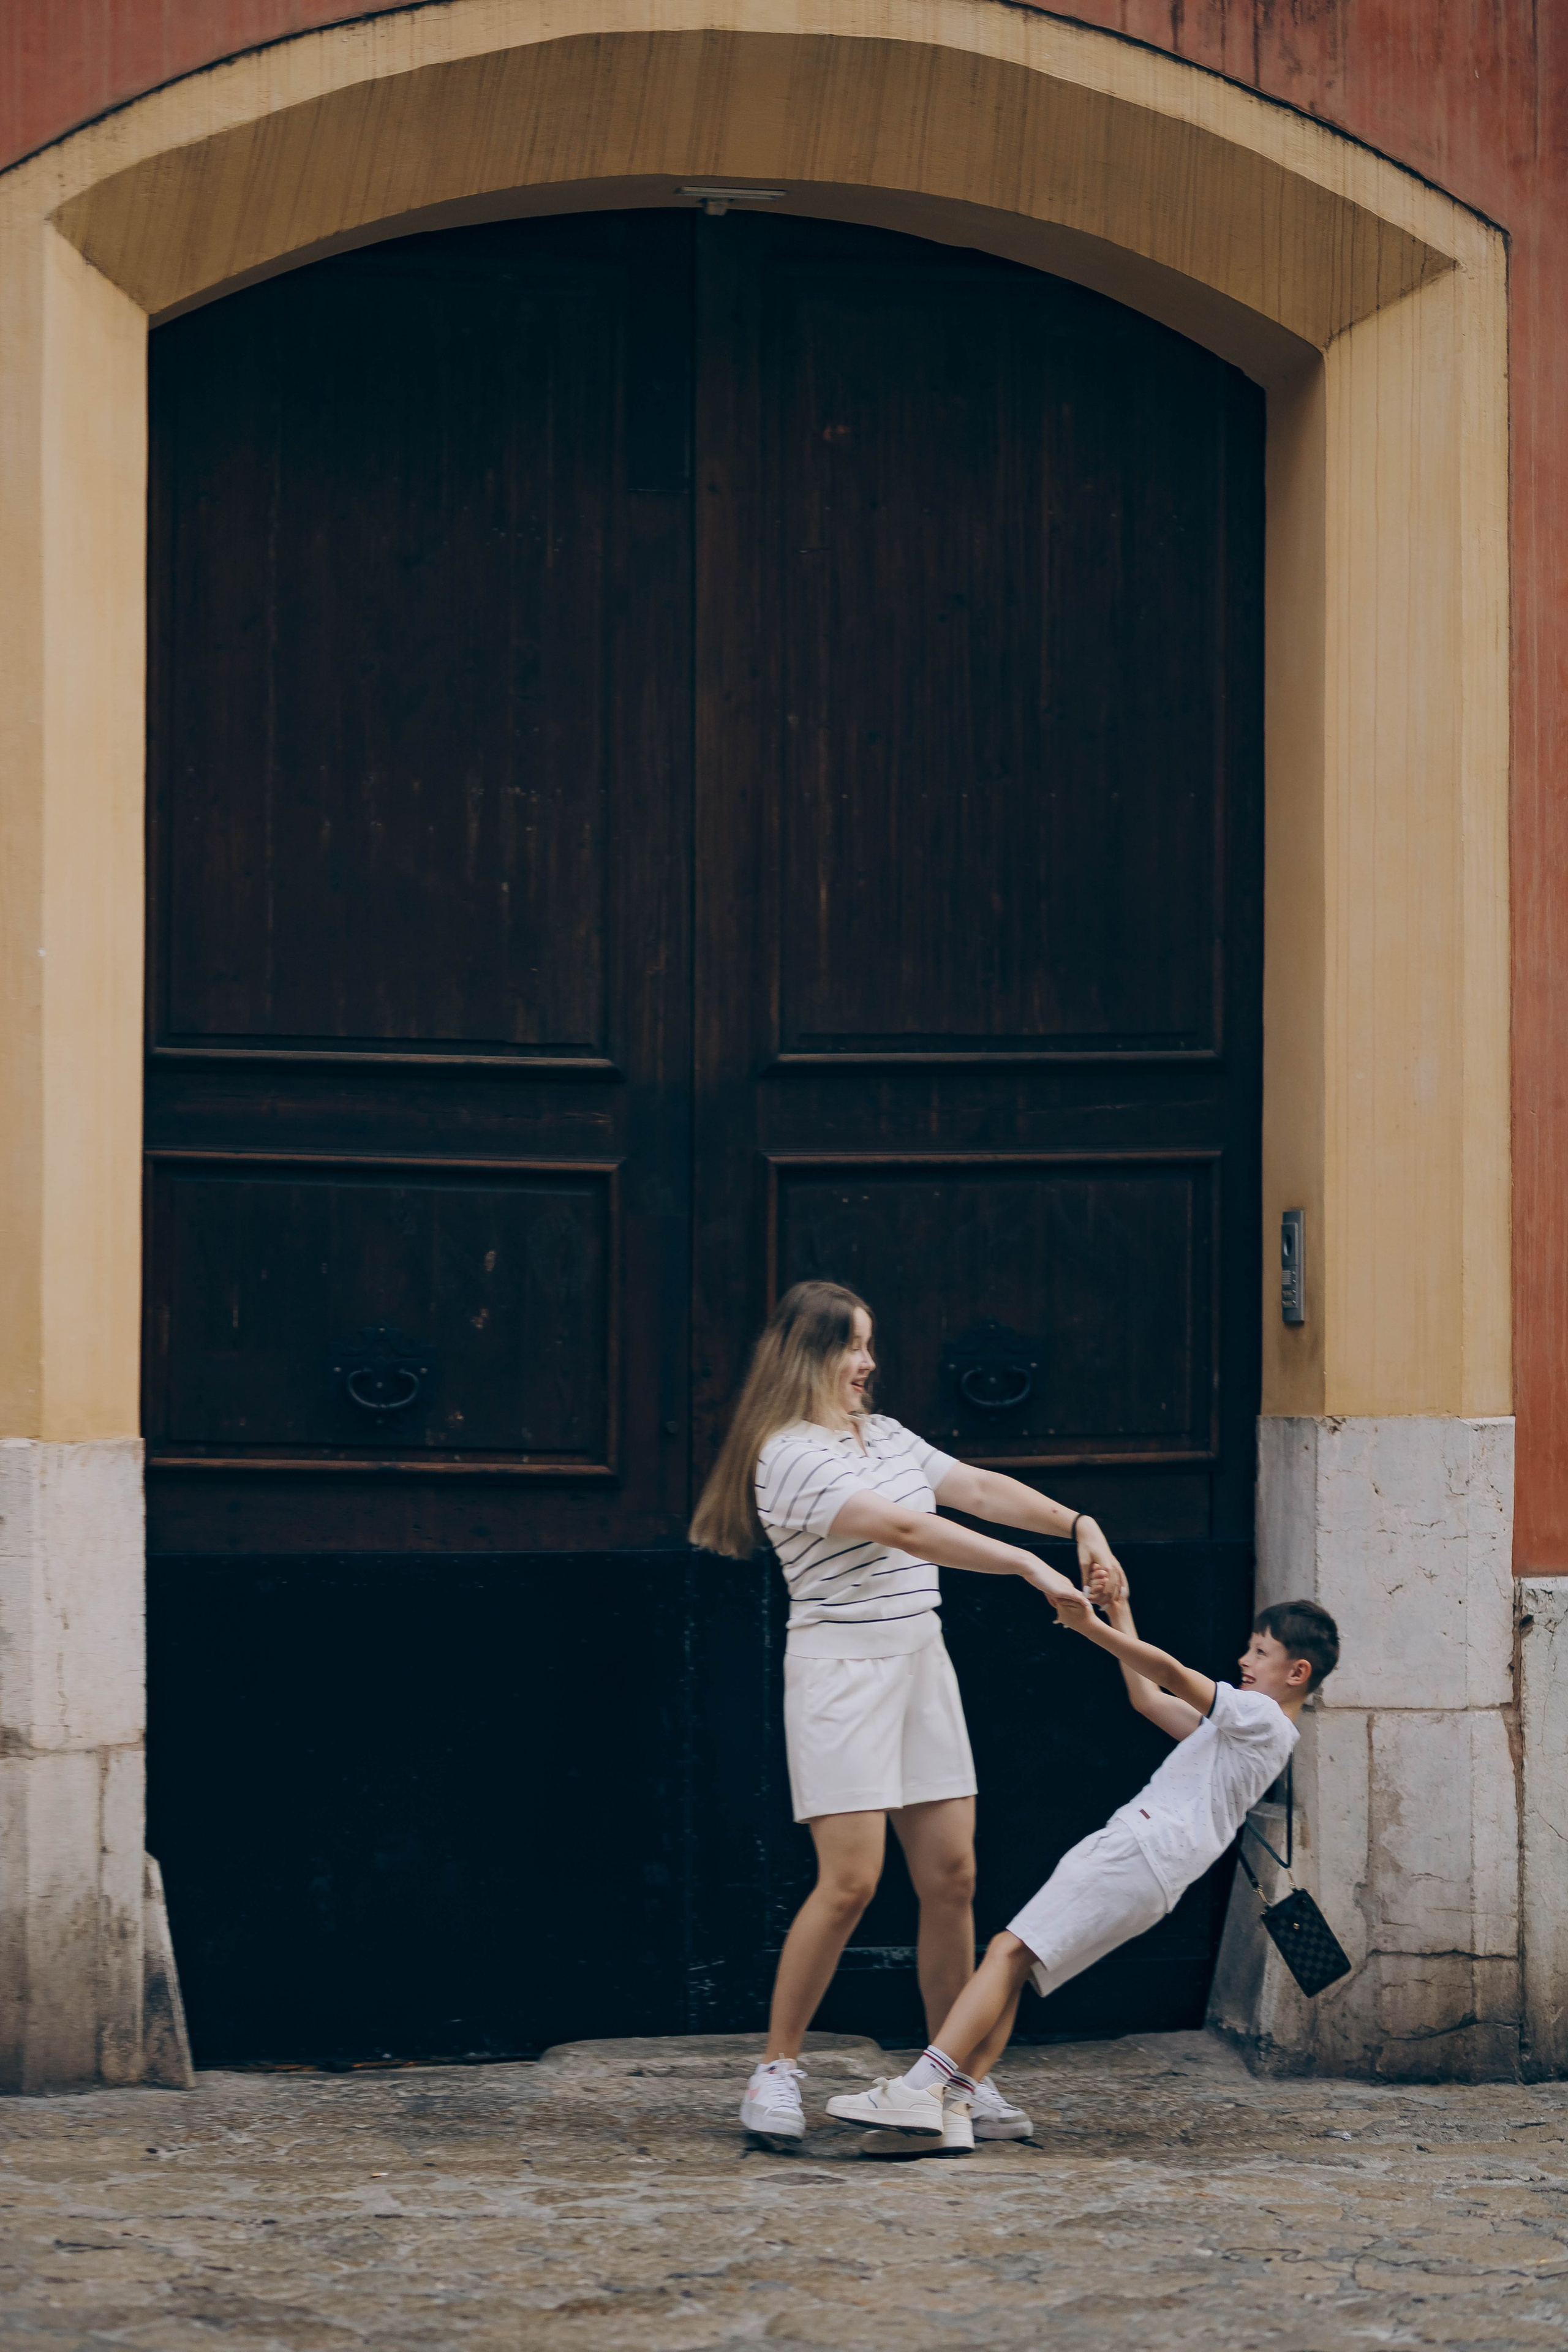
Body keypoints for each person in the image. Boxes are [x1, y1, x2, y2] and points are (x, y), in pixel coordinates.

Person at [688, 1278, 1126, 2144]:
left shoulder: (882, 1435)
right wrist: (1032, 1571)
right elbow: (908, 1531)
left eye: (868, 1343)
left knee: (952, 1877)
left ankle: (950, 2077)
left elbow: (973, 1489)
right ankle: (776, 2070)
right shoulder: (786, 1454)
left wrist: (1077, 1524)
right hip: (841, 1673)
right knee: (850, 1881)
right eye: (854, 1345)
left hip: (920, 1662)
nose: (869, 1362)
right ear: (810, 1354)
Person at [825, 1581, 1341, 2148]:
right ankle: (957, 2105)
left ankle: (920, 2089)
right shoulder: (1253, 1731)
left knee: (1006, 1950)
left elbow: (1170, 1673)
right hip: (1155, 1874)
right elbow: (1147, 1699)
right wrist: (1119, 1609)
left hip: (1137, 1851)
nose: (1244, 1660)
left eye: (1261, 1652)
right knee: (1016, 1962)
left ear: (1298, 1673)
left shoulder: (1260, 1717)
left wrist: (1090, 1627)